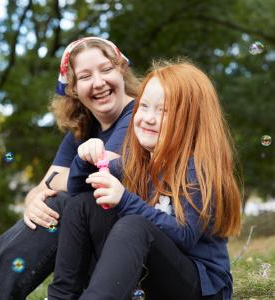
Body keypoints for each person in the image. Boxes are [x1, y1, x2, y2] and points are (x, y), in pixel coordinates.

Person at [48, 59, 242, 300]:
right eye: (144, 106)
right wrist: (83, 159)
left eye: (164, 111)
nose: (148, 118)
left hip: (199, 287)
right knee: (82, 206)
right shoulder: (137, 163)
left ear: (192, 121)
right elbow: (78, 192)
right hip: (155, 279)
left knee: (134, 226)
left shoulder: (197, 169)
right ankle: (61, 297)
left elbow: (185, 236)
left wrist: (124, 199)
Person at [0, 37, 140, 300]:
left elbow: (95, 176)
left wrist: (51, 189)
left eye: (106, 69)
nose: (98, 83)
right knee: (52, 204)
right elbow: (41, 189)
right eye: (85, 76)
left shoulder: (139, 116)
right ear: (73, 89)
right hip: (96, 250)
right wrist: (33, 202)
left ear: (122, 70)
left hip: (134, 251)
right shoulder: (81, 131)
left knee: (62, 204)